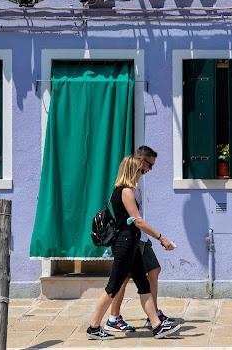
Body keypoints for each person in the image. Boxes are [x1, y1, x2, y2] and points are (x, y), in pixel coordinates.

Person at [86, 155, 182, 340]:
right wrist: (161, 238)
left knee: (143, 285)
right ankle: (94, 327)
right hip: (125, 244)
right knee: (113, 286)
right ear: (132, 171)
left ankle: (156, 326)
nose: (141, 173)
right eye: (139, 170)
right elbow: (137, 221)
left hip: (131, 244)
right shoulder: (125, 192)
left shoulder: (122, 190)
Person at [105, 146, 175, 333]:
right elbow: (137, 220)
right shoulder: (126, 188)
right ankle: (113, 317)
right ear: (141, 163)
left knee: (153, 270)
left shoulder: (134, 183)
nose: (150, 170)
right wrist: (161, 238)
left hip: (141, 238)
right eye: (150, 165)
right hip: (132, 239)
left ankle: (153, 316)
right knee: (123, 278)